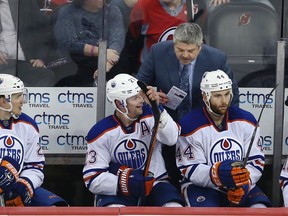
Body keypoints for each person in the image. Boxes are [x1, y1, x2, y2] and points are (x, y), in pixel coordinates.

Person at [136, 22, 239, 190]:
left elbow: (231, 95)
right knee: (171, 177)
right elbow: (139, 85)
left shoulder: (217, 58)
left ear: (200, 47)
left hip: (202, 126)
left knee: (197, 176)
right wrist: (150, 94)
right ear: (174, 44)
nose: (185, 55)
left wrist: (224, 128)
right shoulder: (157, 52)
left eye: (190, 51)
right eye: (180, 49)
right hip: (168, 123)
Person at [82, 73, 184, 207]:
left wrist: (157, 108)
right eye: (135, 98)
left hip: (156, 183)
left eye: (140, 95)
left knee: (174, 208)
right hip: (120, 189)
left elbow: (171, 139)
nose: (141, 100)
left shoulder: (150, 116)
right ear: (120, 103)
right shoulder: (100, 132)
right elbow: (92, 178)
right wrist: (125, 183)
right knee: (115, 210)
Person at [176, 70, 271, 207]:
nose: (224, 101)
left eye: (227, 94)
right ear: (205, 96)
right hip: (203, 186)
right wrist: (218, 175)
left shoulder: (246, 120)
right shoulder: (189, 124)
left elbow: (255, 161)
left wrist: (244, 184)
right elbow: (190, 168)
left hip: (240, 184)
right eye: (217, 96)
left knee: (260, 209)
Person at [0, 74, 68, 206]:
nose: (23, 101)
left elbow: (34, 166)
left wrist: (25, 185)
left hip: (17, 188)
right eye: (18, 96)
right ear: (3, 101)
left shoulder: (28, 124)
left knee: (58, 210)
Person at [54, 0, 125, 87]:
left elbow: (117, 41)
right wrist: (101, 52)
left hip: (106, 63)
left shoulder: (112, 11)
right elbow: (68, 43)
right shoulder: (67, 11)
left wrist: (106, 65)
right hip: (74, 64)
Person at [0, 0, 55, 87]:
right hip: (1, 64)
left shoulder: (24, 2)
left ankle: (28, 100)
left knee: (46, 75)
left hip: (22, 63)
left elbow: (41, 30)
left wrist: (40, 58)